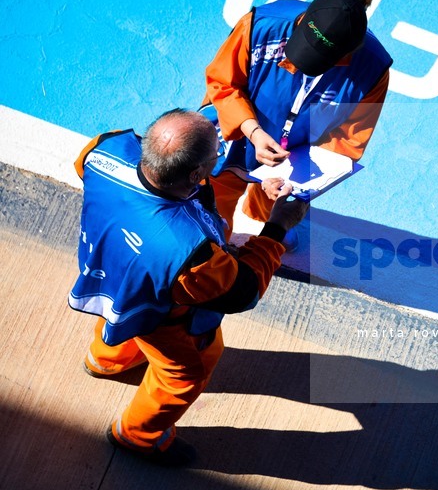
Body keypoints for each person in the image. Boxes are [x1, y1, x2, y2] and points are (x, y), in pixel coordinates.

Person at [69, 109, 308, 466]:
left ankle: (104, 360)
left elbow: (88, 172)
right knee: (184, 372)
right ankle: (137, 436)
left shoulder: (103, 147)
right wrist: (275, 229)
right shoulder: (189, 253)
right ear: (196, 174)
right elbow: (243, 290)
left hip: (109, 274)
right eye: (217, 154)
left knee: (118, 317)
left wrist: (257, 184)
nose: (220, 156)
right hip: (160, 312)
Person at [201, 0, 393, 239]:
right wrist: (253, 131)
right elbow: (223, 83)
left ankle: (263, 214)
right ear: (302, 20)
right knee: (210, 221)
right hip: (236, 128)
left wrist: (292, 177)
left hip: (297, 150)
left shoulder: (373, 72)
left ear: (346, 56)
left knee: (276, 208)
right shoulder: (260, 25)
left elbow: (347, 140)